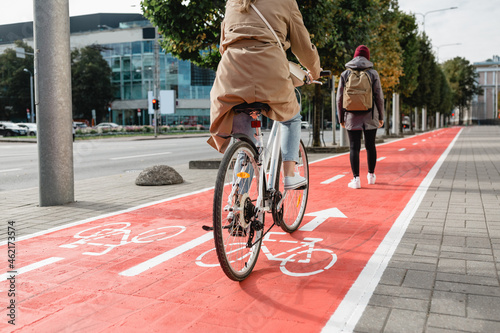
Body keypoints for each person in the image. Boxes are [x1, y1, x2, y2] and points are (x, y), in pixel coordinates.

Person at [208, 0, 321, 190]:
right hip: (270, 71)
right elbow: (302, 46)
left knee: (245, 141)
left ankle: (238, 199)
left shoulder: (232, 2)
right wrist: (314, 71)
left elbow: (223, 44)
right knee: (291, 118)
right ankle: (290, 175)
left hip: (232, 74)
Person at [336, 45, 384, 189]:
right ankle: (371, 176)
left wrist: (341, 118)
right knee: (370, 146)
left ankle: (356, 179)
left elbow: (339, 98)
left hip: (351, 116)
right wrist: (381, 116)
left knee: (354, 147)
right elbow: (379, 97)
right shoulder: (373, 74)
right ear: (367, 57)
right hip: (370, 116)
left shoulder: (345, 74)